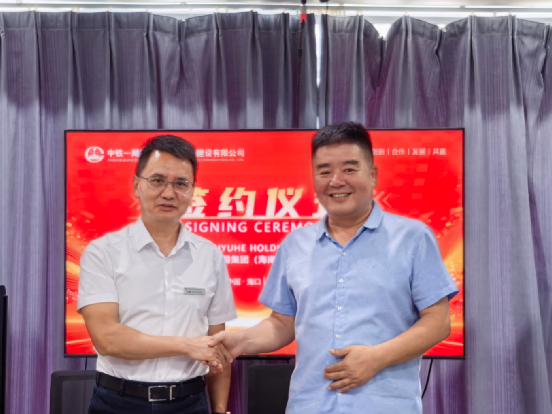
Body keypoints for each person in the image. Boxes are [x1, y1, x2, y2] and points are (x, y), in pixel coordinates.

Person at [209, 122, 459, 414]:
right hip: (310, 405)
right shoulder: (295, 244)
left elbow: (438, 322)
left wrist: (377, 357)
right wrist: (242, 340)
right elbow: (283, 324)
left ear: (373, 175)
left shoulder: (413, 238)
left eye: (349, 169)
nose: (336, 181)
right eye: (324, 171)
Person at [78, 135, 236, 414]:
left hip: (189, 403)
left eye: (181, 183)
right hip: (118, 401)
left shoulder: (210, 256)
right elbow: (107, 338)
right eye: (157, 180)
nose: (168, 193)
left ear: (192, 190)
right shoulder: (103, 252)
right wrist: (187, 346)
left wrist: (220, 410)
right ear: (136, 185)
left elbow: (217, 350)